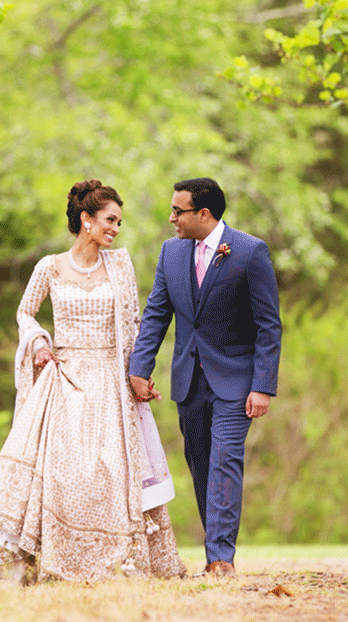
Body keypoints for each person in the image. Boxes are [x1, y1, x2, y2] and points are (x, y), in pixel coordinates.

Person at [0, 179, 187, 584]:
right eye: (110, 220)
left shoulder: (120, 266)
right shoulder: (49, 267)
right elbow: (24, 313)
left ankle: (117, 561)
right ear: (86, 220)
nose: (116, 229)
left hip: (111, 381)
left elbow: (136, 325)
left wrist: (140, 376)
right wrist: (38, 342)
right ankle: (55, 562)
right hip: (66, 379)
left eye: (119, 222)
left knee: (110, 470)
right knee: (63, 474)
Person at [128, 177, 281, 576]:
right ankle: (215, 547)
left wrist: (263, 385)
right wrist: (139, 369)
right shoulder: (171, 253)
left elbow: (268, 326)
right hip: (188, 383)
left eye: (178, 211)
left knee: (225, 461)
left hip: (236, 382)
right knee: (201, 464)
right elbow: (157, 313)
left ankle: (220, 559)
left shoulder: (249, 252)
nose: (171, 217)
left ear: (204, 214)